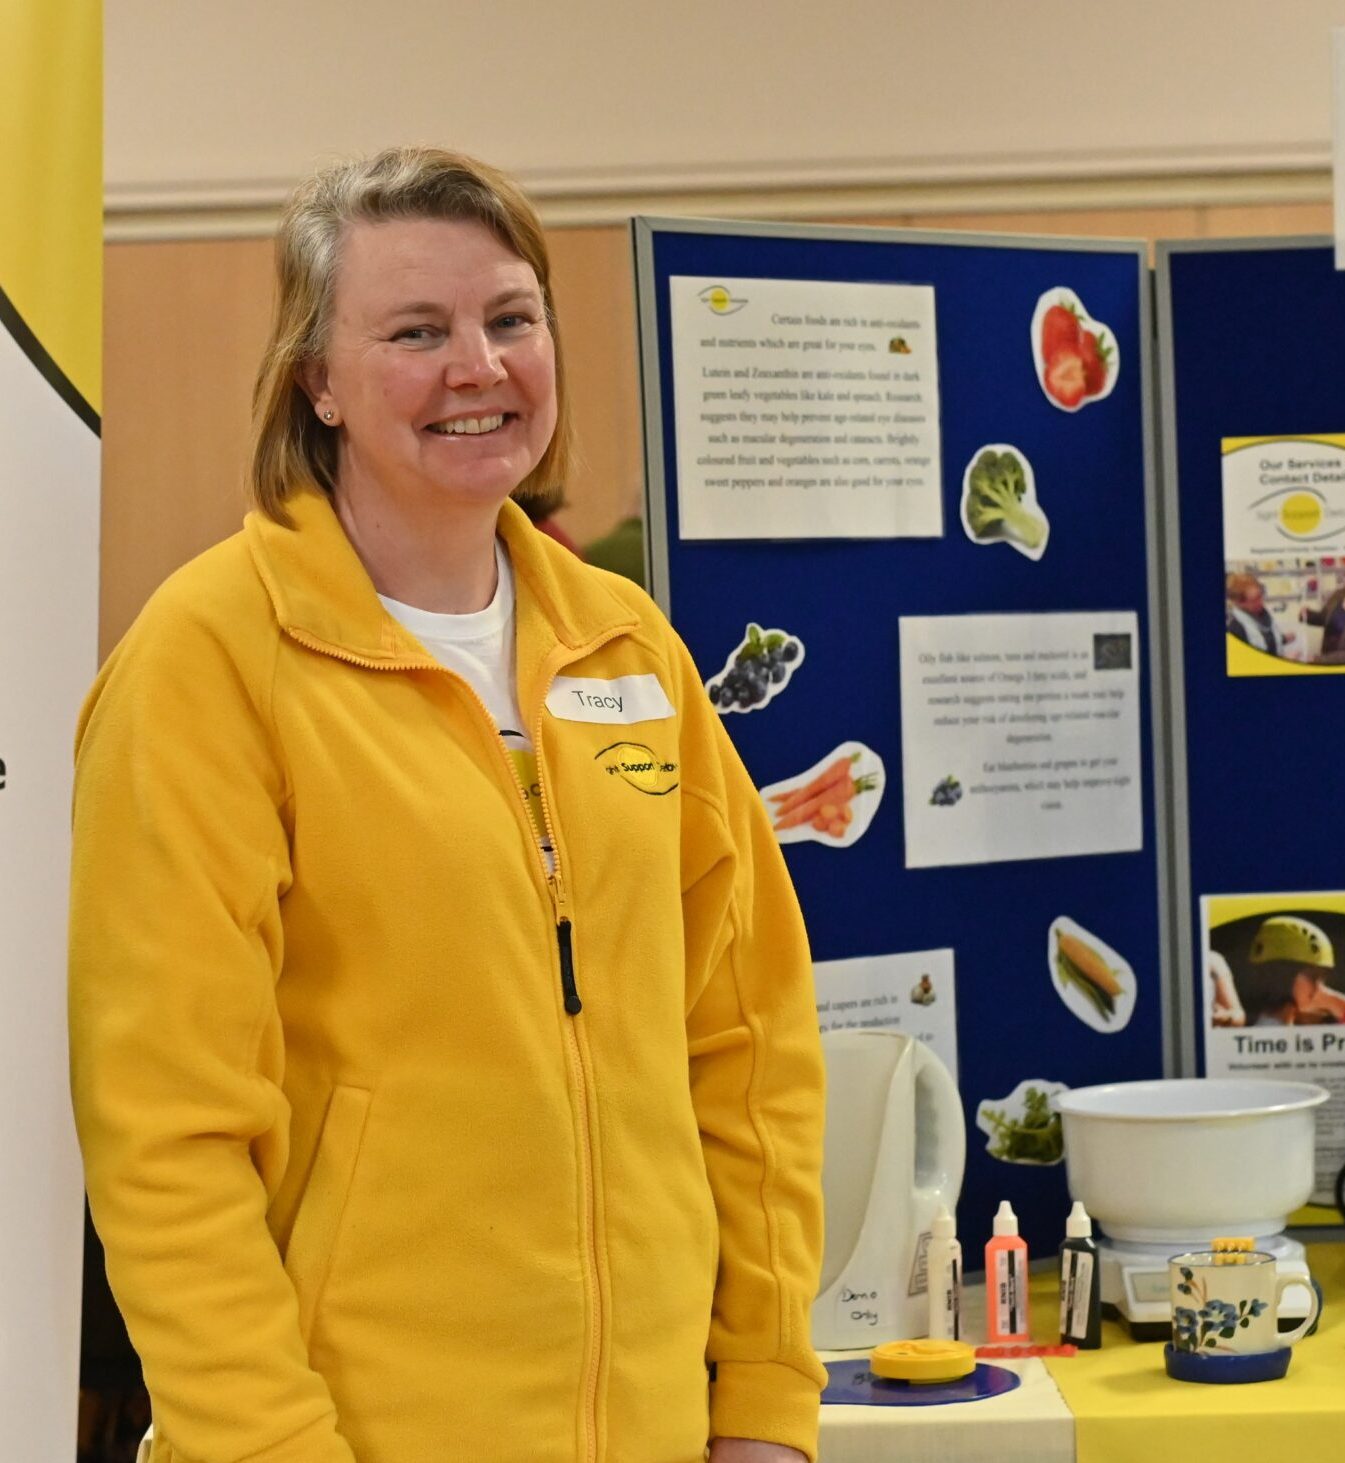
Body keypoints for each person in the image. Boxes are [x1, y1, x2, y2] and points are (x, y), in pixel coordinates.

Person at [68, 147, 825, 1463]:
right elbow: (167, 1135)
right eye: (416, 331)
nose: (477, 366)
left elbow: (747, 1046)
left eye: (509, 318)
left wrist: (760, 1390)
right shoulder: (210, 660)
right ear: (317, 378)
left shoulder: (627, 648)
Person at [1224, 570, 1280, 657]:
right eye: (1254, 600)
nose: (1261, 602)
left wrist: (1283, 639)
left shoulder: (1262, 614)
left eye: (1260, 596)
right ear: (1239, 603)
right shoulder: (1235, 629)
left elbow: (1268, 638)